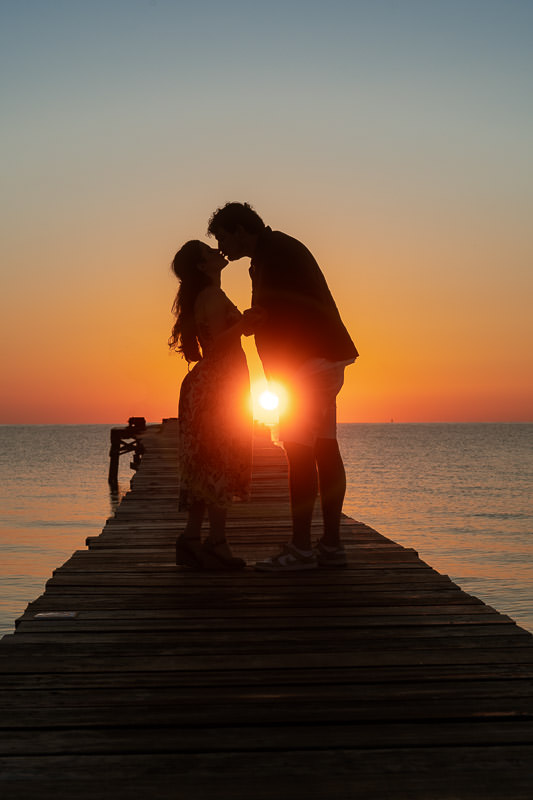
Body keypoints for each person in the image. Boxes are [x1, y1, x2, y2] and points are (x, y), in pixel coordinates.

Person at [207, 203, 359, 572]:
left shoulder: (274, 254)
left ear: (242, 229)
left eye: (223, 237)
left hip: (307, 365)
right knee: (323, 445)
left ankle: (302, 549)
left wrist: (247, 320)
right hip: (320, 360)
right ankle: (331, 546)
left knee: (300, 451)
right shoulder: (273, 252)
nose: (221, 247)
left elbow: (271, 311)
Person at [169, 240, 253, 570]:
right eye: (210, 252)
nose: (218, 252)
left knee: (204, 465)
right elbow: (220, 343)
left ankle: (191, 540)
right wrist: (247, 324)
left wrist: (246, 323)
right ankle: (217, 544)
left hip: (208, 385)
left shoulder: (204, 297)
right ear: (204, 266)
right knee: (219, 462)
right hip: (219, 386)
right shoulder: (213, 296)